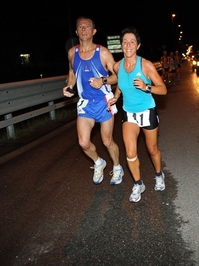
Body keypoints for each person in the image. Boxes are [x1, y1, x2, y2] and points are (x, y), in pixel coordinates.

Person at [62, 16, 124, 186]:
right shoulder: (72, 53)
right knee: (83, 142)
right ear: (76, 32)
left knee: (107, 141)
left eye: (87, 26)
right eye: (80, 27)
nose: (83, 29)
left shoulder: (102, 52)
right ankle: (99, 162)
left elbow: (117, 76)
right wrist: (69, 87)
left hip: (104, 101)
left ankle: (117, 167)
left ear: (94, 31)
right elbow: (72, 74)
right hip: (85, 103)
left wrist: (102, 81)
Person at [109, 26, 167, 202]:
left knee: (152, 149)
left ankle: (158, 175)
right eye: (125, 42)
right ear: (121, 45)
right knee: (130, 152)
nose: (128, 45)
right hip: (129, 113)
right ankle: (138, 184)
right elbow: (120, 82)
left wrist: (146, 86)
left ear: (138, 45)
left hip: (147, 110)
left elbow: (163, 89)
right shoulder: (117, 66)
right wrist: (116, 95)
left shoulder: (146, 65)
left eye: (132, 42)